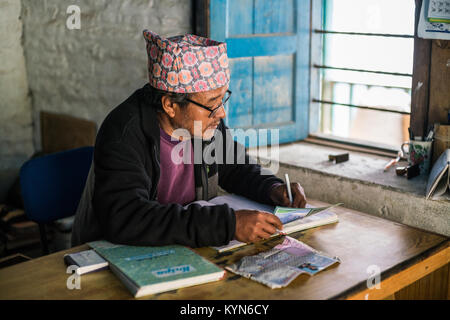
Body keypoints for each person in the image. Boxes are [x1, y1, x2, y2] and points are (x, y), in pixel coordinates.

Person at [71, 30, 307, 248]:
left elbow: (234, 167)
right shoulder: (123, 133)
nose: (222, 113)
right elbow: (127, 218)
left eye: (222, 99)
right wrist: (226, 224)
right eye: (212, 103)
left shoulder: (204, 122)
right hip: (111, 254)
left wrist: (273, 187)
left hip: (179, 245)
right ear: (170, 105)